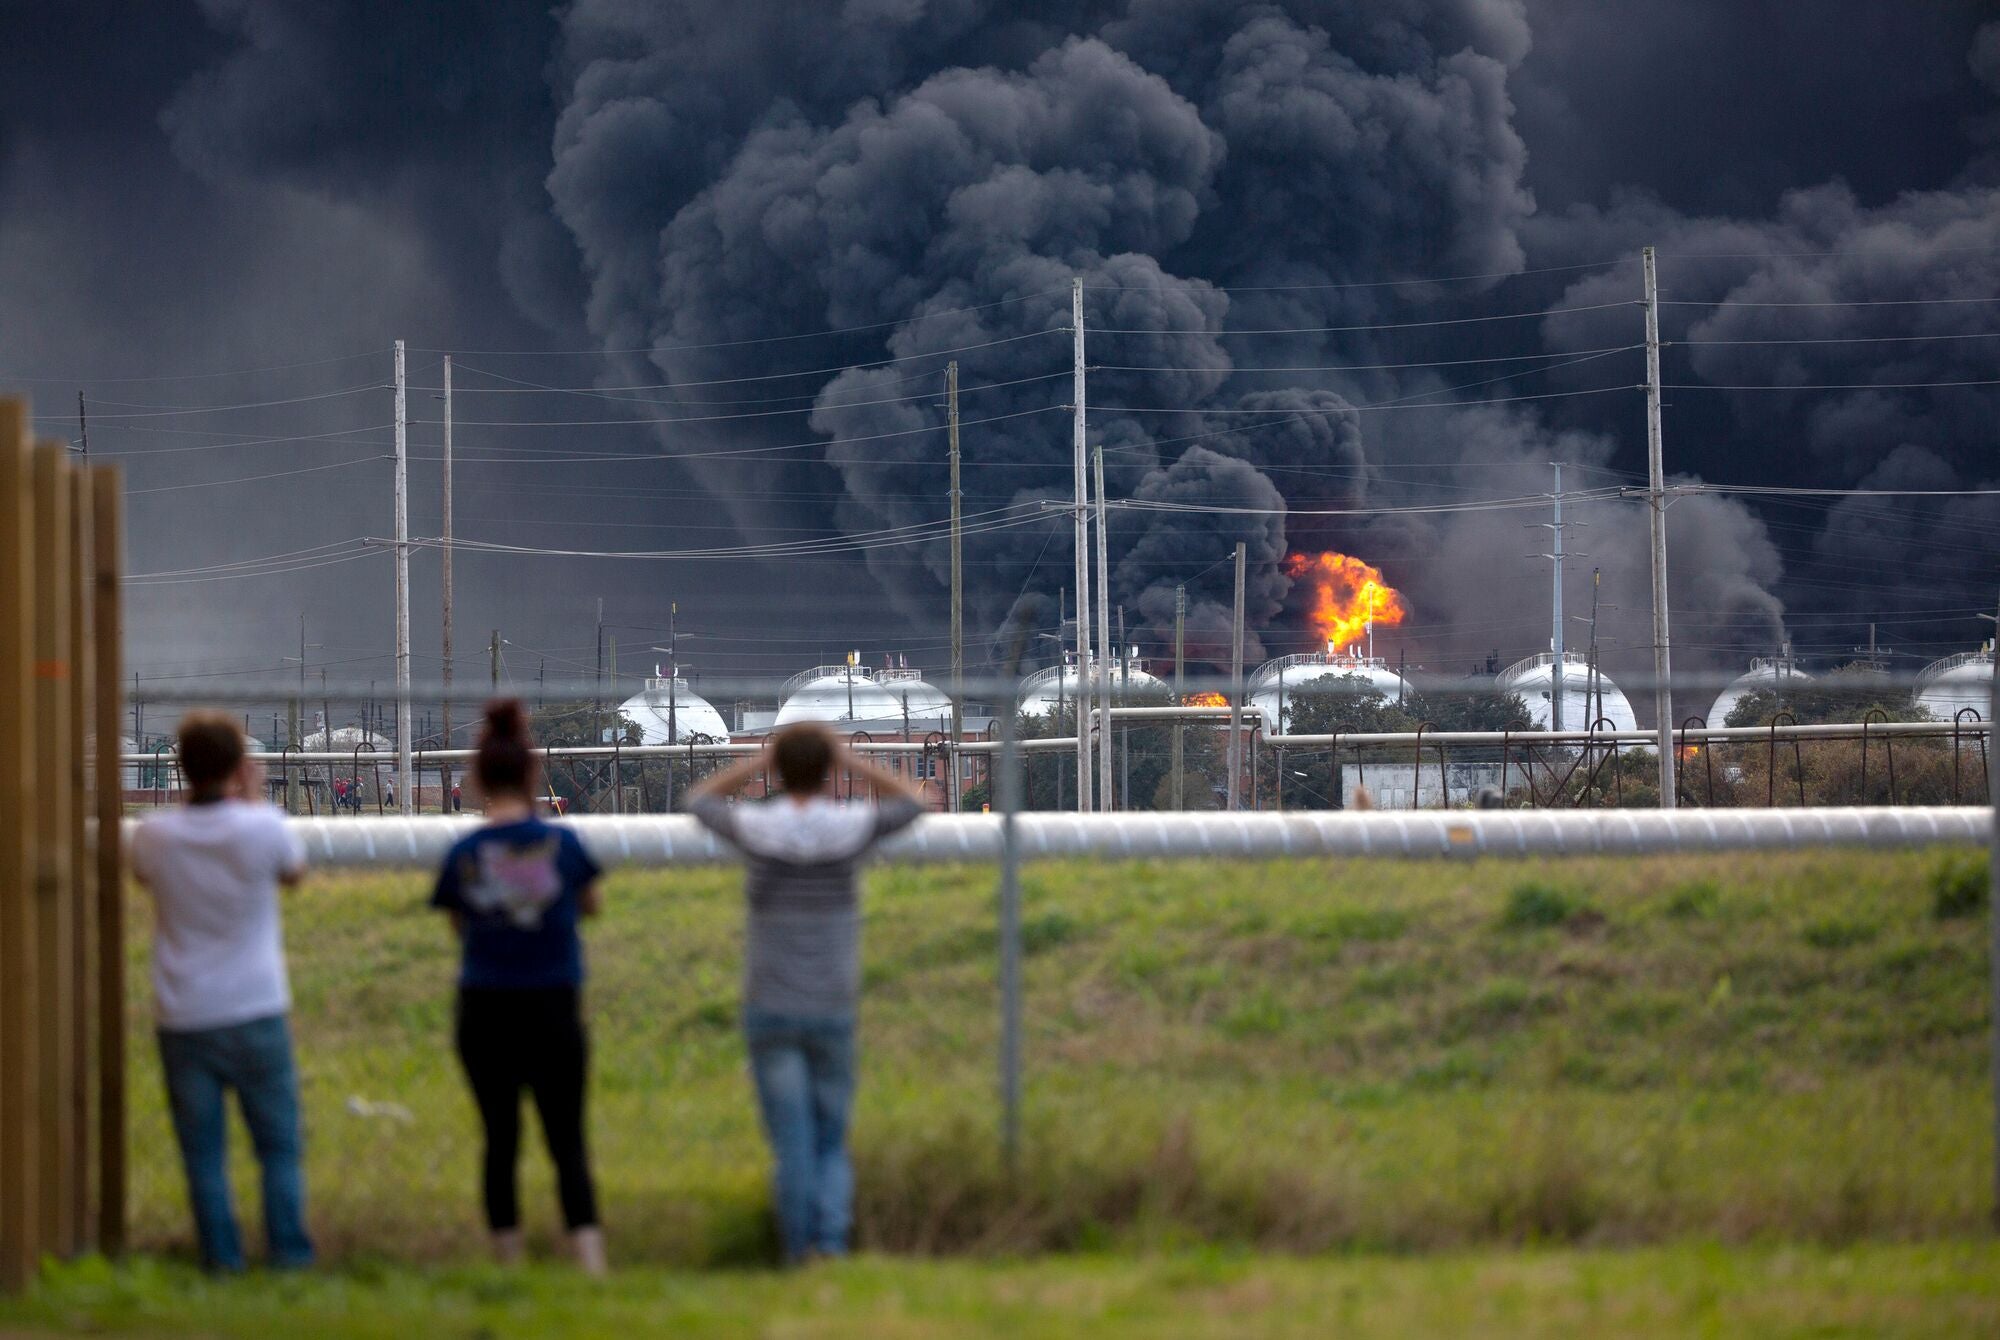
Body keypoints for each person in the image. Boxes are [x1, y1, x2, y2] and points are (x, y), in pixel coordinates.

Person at [687, 724, 926, 1264]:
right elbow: (915, 803)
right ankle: (833, 1246)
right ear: (827, 771)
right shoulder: (850, 827)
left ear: (778, 769)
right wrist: (850, 761)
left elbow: (699, 801)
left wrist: (759, 763)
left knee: (791, 1143)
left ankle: (799, 1252)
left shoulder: (756, 827)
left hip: (770, 1005)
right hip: (833, 1006)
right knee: (829, 1140)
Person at [129, 711, 313, 1273]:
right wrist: (252, 799)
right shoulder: (265, 826)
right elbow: (293, 875)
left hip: (185, 1015)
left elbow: (142, 876)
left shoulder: (154, 835)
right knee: (278, 1146)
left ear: (180, 766)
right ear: (240, 767)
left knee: (203, 1155)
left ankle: (222, 1261)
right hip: (257, 1007)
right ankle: (289, 1258)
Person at [430, 699, 607, 1274]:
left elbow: (459, 924)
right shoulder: (564, 844)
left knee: (500, 1140)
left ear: (478, 778)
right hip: (554, 1005)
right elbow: (592, 906)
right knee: (567, 1142)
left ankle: (508, 1264)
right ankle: (590, 1261)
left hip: (483, 1010)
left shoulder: (463, 853)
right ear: (533, 773)